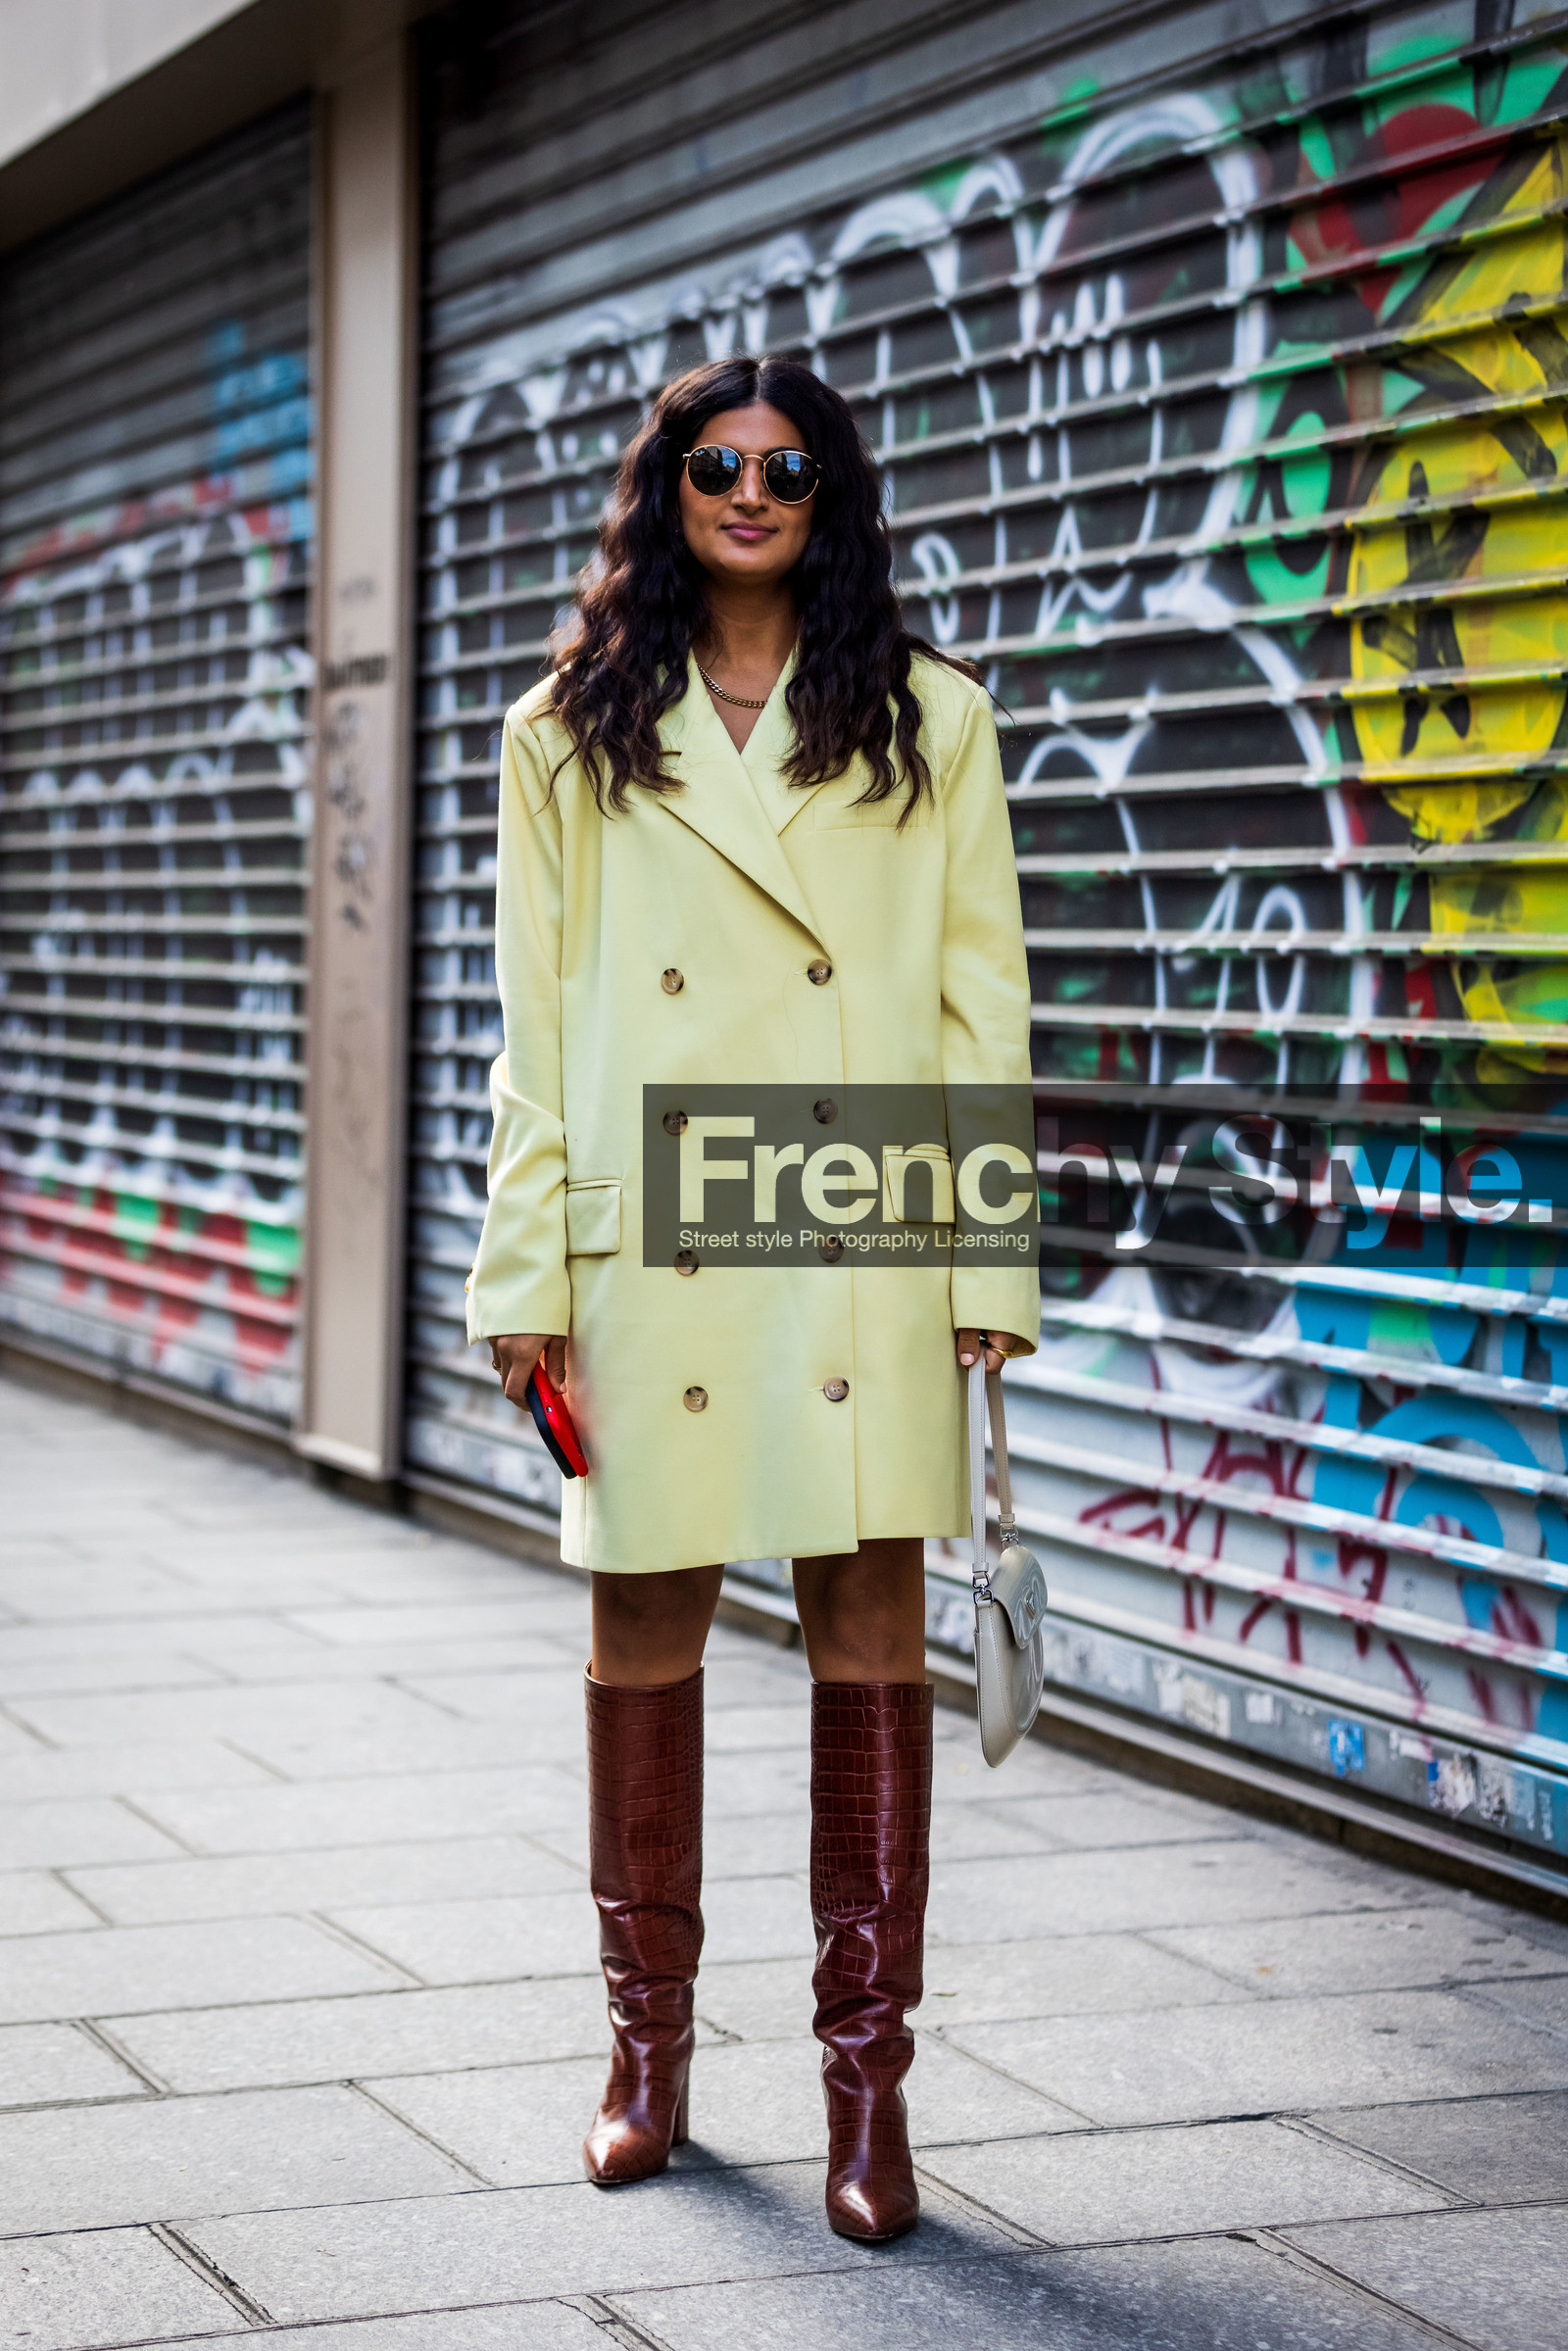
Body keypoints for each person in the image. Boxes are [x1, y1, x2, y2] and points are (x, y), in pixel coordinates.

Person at [467, 354, 1037, 2242]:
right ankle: (647, 2064)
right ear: (668, 487)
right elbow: (535, 1038)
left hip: (855, 1205)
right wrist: (525, 1268)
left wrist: (990, 1260)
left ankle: (867, 2102)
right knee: (644, 1626)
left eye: (788, 463)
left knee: (869, 1632)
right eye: (717, 460)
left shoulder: (932, 719)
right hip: (661, 1233)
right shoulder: (563, 733)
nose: (751, 487)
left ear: (831, 492)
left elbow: (979, 1003)